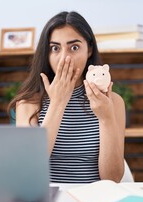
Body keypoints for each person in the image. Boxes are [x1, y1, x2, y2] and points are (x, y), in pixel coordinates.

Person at [8, 11, 126, 183]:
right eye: (55, 48)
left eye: (74, 47)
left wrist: (106, 118)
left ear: (89, 49)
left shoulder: (113, 102)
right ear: (46, 54)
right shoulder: (28, 104)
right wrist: (57, 103)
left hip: (94, 199)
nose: (64, 58)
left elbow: (113, 178)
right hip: (48, 199)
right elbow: (28, 168)